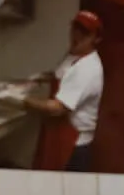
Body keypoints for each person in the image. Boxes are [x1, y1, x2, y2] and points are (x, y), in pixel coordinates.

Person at [26, 10, 105, 172]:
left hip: (73, 145)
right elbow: (59, 74)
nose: (77, 35)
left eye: (85, 33)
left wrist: (19, 98)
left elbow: (57, 109)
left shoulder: (88, 69)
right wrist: (39, 77)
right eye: (76, 28)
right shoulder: (73, 55)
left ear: (96, 39)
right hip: (57, 135)